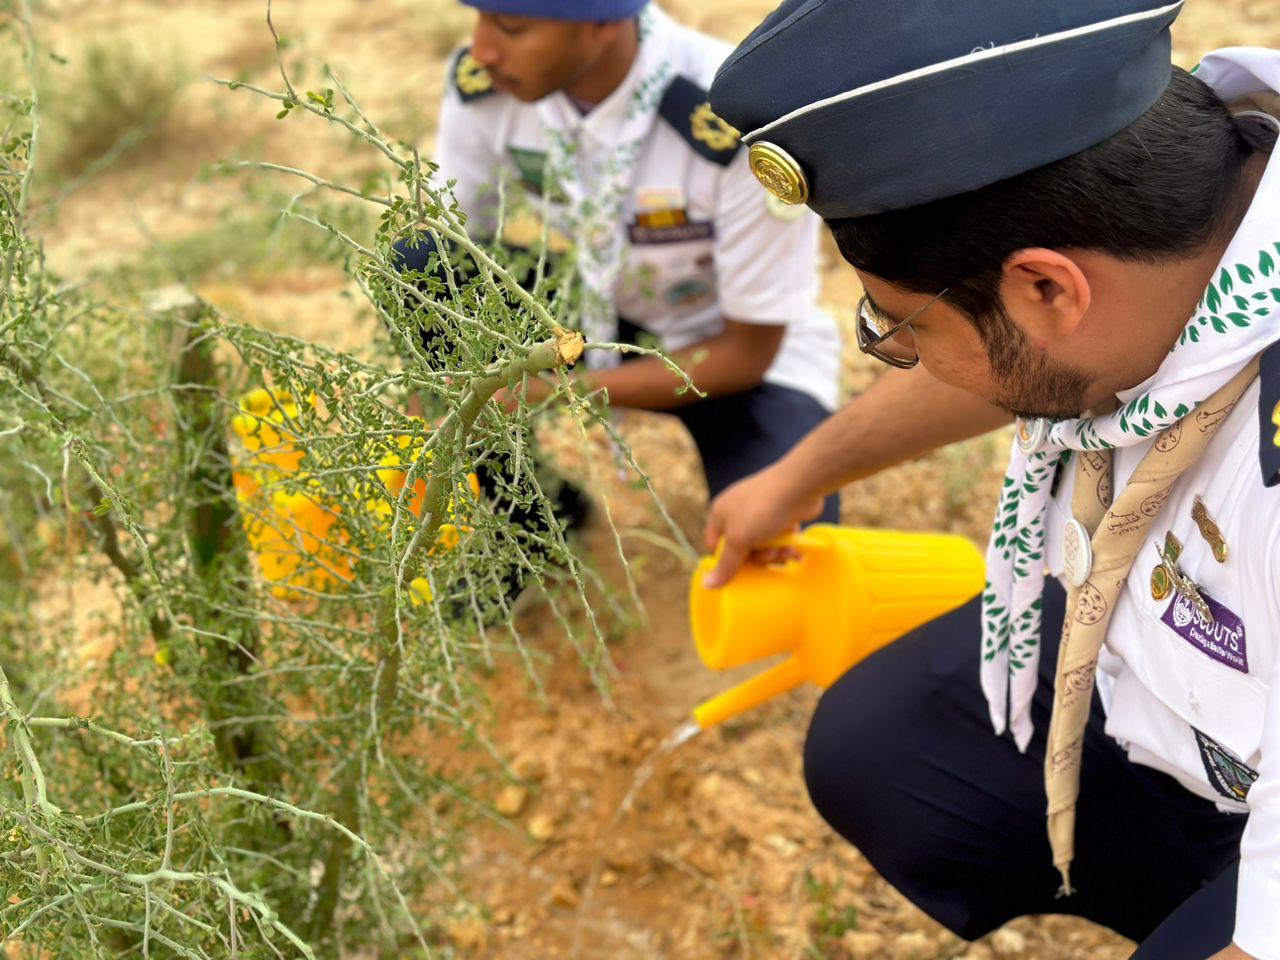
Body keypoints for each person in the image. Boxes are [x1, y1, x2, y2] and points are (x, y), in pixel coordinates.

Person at [701, 2, 1280, 958]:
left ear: (1049, 287)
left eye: (904, 327)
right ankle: (1191, 888)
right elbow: (1035, 359)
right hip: (1161, 666)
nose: (898, 349)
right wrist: (803, 471)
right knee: (882, 754)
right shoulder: (1187, 224)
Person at [394, 0, 843, 521]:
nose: (482, 49)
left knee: (787, 532)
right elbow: (449, 234)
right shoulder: (494, 88)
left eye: (511, 27)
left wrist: (544, 391)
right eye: (480, 17)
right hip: (599, 309)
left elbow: (747, 353)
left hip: (727, 351)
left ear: (603, 22)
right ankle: (531, 522)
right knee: (423, 262)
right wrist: (437, 393)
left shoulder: (737, 114)